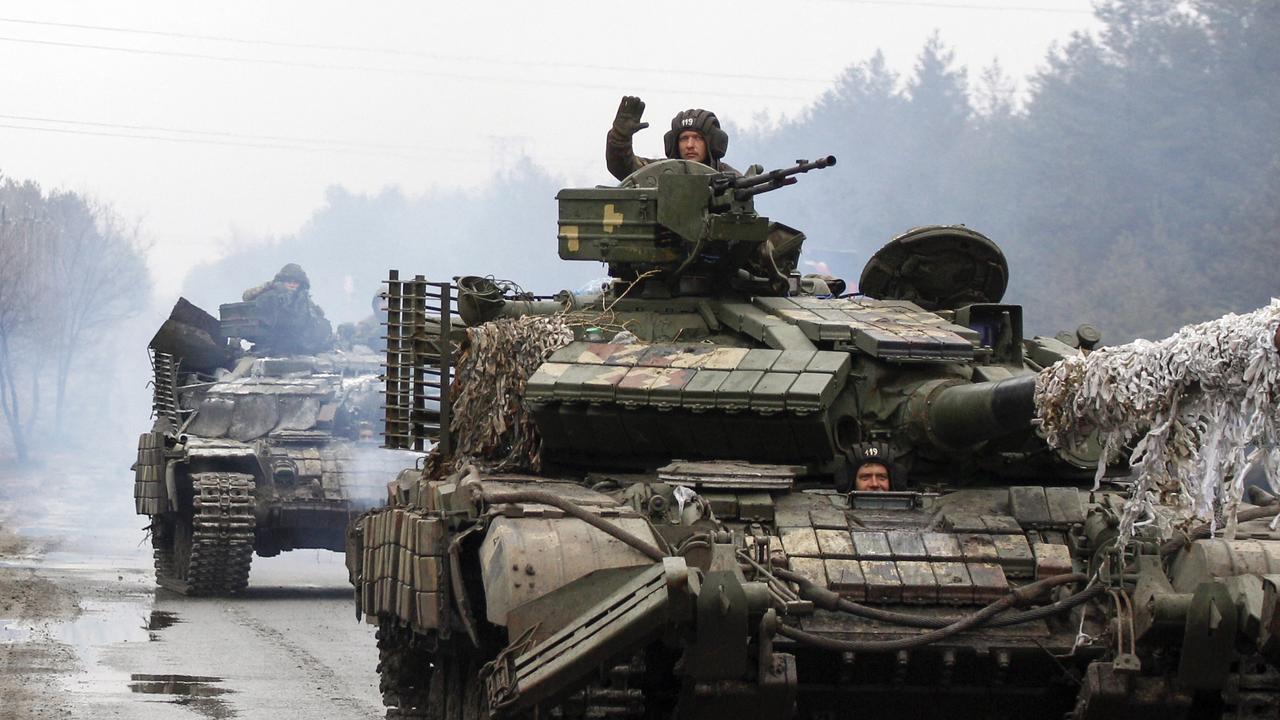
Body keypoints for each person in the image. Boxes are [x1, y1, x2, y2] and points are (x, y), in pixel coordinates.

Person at [606, 95, 739, 181]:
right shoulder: (662, 172)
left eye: (697, 138)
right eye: (684, 138)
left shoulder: (729, 177)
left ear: (712, 143)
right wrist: (620, 137)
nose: (689, 145)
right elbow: (623, 166)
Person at [241, 263, 333, 354]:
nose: (292, 285)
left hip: (299, 346)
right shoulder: (270, 296)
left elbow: (315, 320)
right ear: (282, 281)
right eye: (289, 281)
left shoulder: (304, 300)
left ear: (301, 284)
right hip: (272, 344)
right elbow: (247, 297)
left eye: (296, 282)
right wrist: (267, 286)